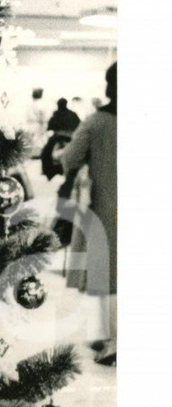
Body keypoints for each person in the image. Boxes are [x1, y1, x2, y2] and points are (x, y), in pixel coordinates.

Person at [60, 61, 117, 364]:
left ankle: (107, 339)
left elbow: (69, 158)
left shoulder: (96, 122)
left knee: (104, 274)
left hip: (104, 207)